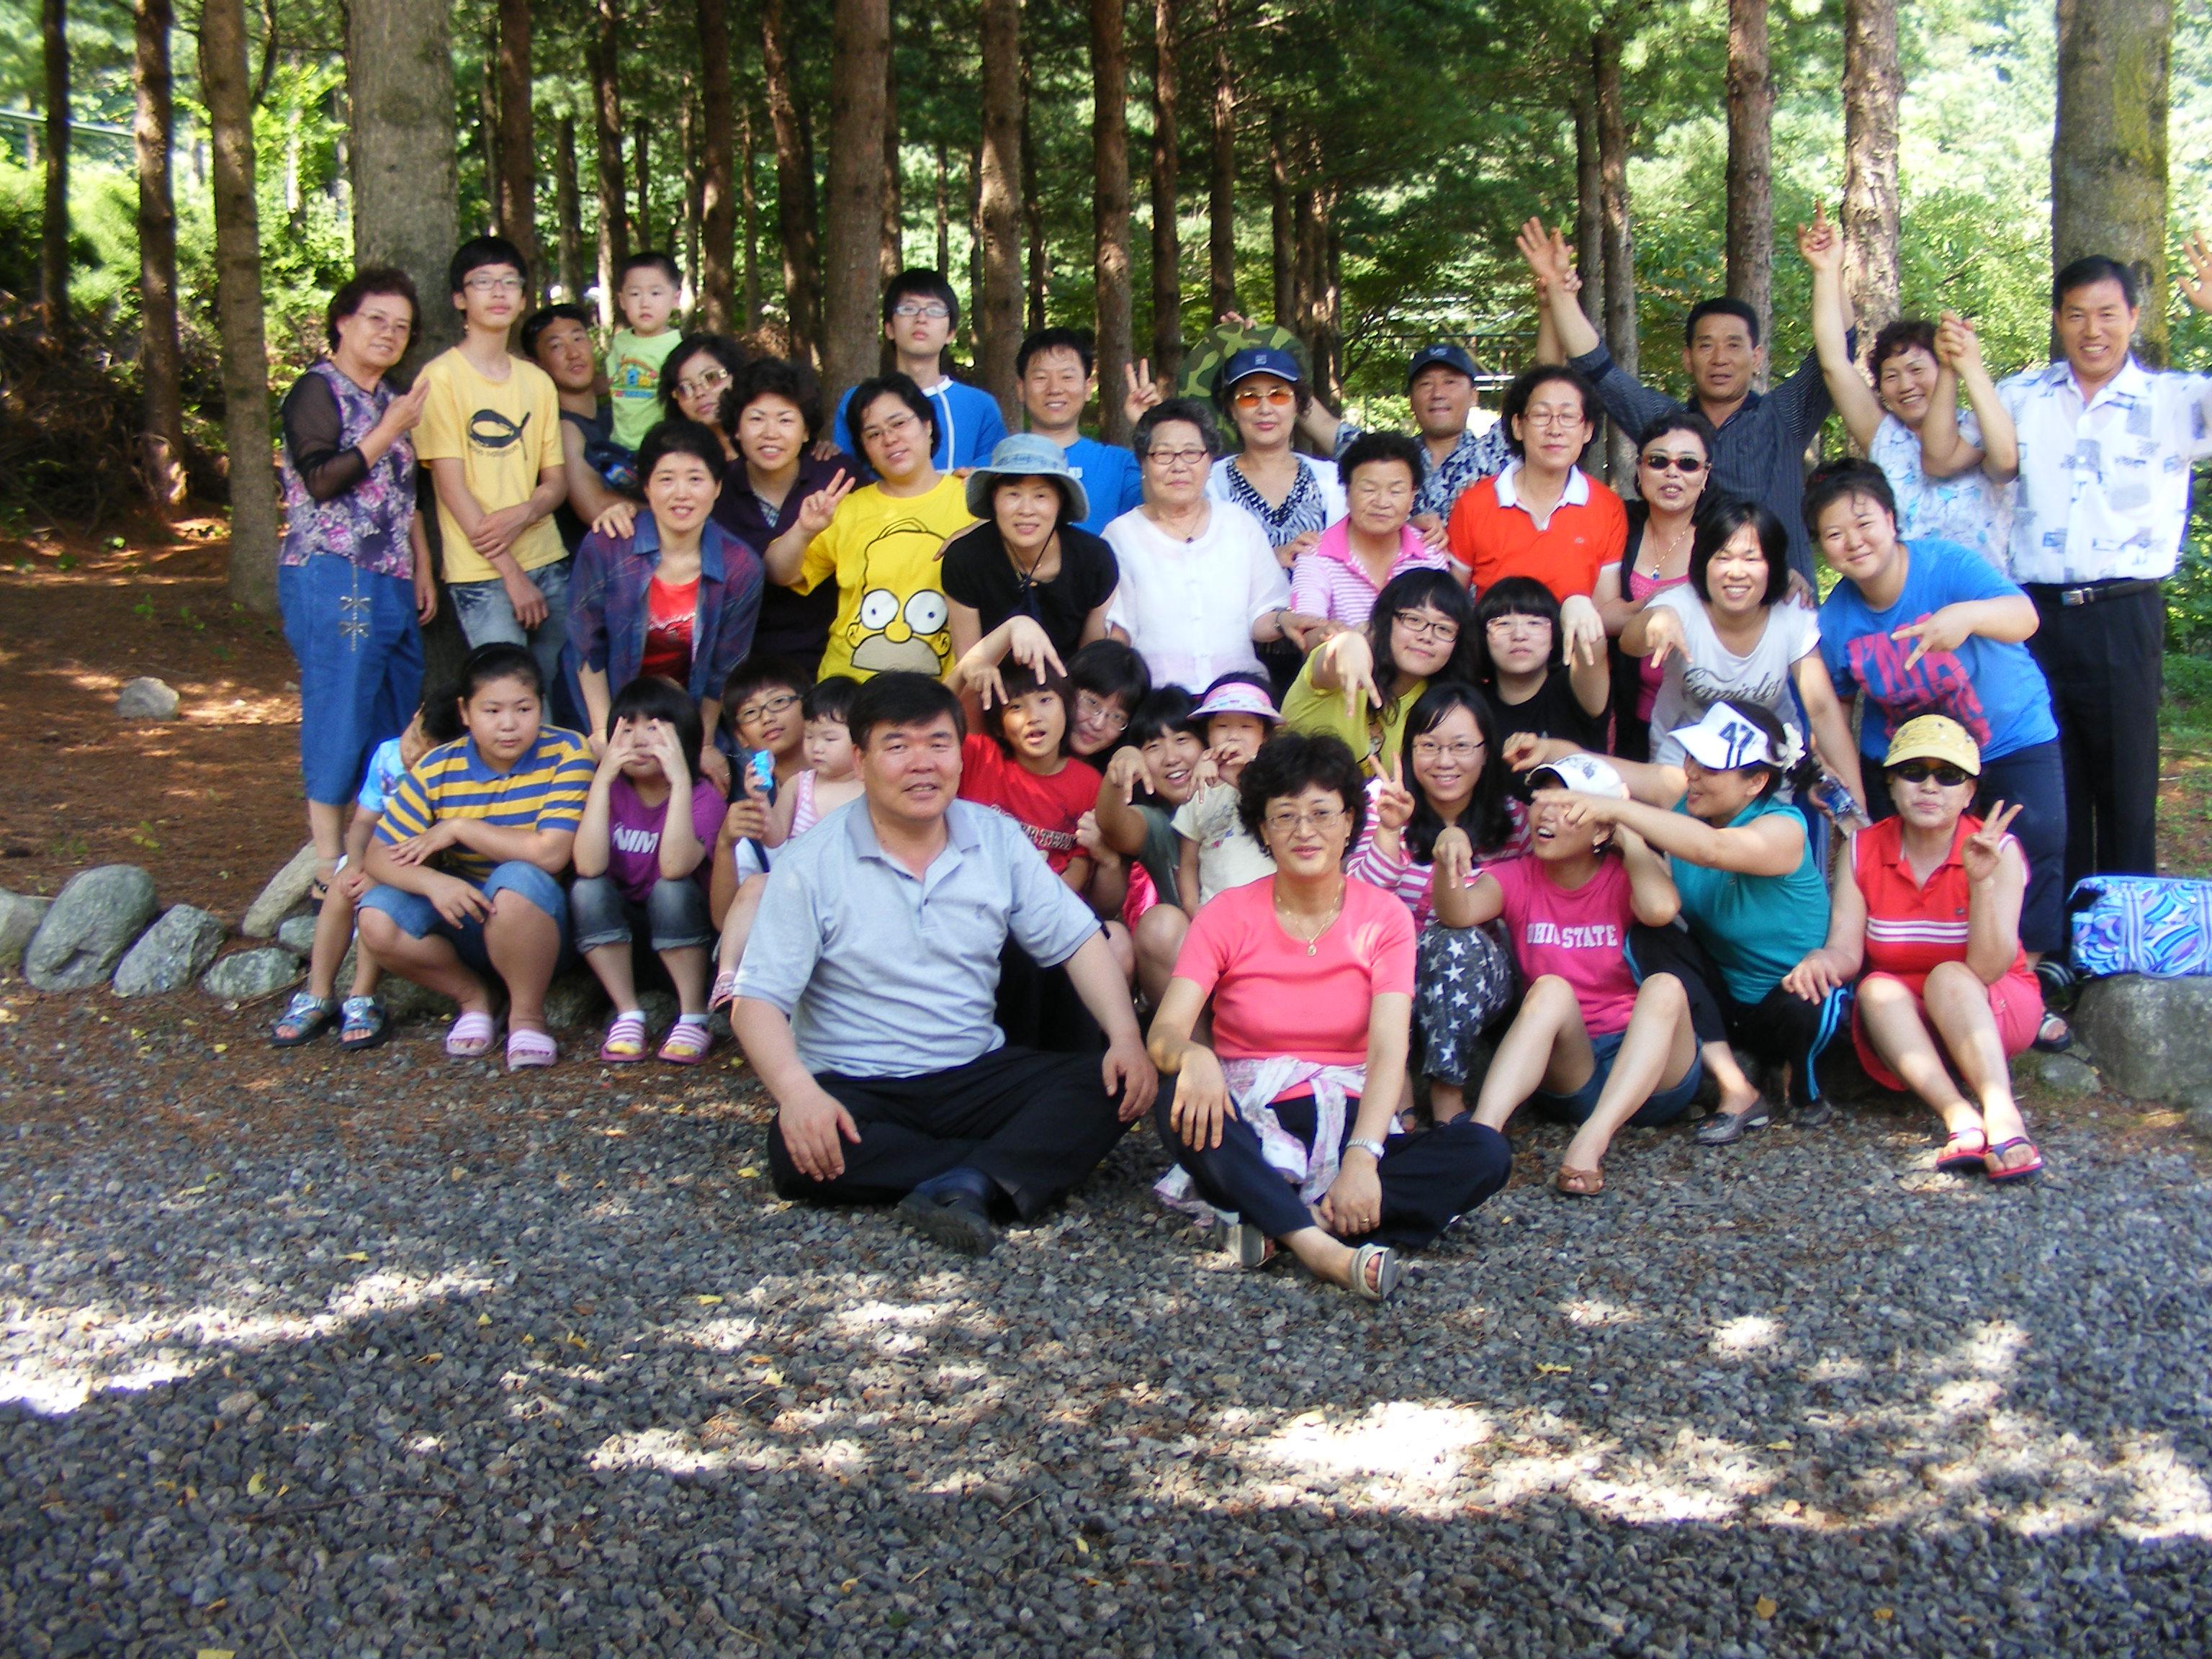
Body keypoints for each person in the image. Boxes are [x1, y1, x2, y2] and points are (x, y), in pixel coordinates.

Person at [732, 673, 1156, 1256]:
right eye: (897, 746)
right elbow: (756, 1002)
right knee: (793, 1153)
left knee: (1108, 1082)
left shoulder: (996, 838)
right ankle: (995, 1172)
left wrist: (1126, 1036)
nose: (922, 764)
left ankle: (962, 1176)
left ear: (961, 755)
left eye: (938, 743)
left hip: (972, 1072)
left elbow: (1078, 941)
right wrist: (798, 1095)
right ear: (861, 761)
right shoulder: (809, 863)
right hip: (859, 1082)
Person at [1148, 732, 1511, 1301]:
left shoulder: (1385, 918)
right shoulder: (1225, 915)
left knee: (1484, 1152)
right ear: (1263, 829)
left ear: (1349, 824)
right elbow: (1166, 1031)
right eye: (1285, 816)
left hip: (1351, 1118)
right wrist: (1193, 1056)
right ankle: (1323, 1249)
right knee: (1178, 1101)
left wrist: (1364, 1157)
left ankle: (1279, 1222)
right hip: (1254, 1117)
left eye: (1322, 813)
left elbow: (1389, 1048)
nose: (1304, 830)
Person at [1987, 243, 2212, 895]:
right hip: (2032, 615)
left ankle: (2123, 933)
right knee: (2049, 785)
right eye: (2077, 314)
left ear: (2134, 317)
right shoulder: (2022, 395)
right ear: (2059, 319)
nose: (2094, 330)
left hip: (2122, 613)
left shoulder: (2172, 400)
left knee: (2125, 787)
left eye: (2108, 313)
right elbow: (1953, 455)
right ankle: (2056, 938)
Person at [1807, 460, 2069, 1004]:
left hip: (2007, 733)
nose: (1854, 542)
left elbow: (2024, 616)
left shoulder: (1946, 565)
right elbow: (1834, 707)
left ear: (1892, 520)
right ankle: (1918, 982)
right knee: (1908, 864)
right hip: (1907, 756)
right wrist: (1847, 787)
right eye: (1834, 534)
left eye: (1865, 523)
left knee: (2034, 841)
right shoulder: (1836, 621)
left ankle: (2024, 983)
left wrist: (1967, 617)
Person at [1529, 701, 1841, 1146]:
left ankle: (1806, 1087)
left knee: (1804, 1003)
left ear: (1756, 782)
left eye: (1710, 767)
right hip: (1723, 992)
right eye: (1693, 757)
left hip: (1787, 993)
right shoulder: (1683, 794)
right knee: (1653, 937)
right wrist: (1540, 749)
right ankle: (1737, 1089)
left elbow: (1713, 849)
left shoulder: (1784, 828)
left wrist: (1614, 810)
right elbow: (1592, 762)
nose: (1692, 772)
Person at [1780, 716, 2046, 1182]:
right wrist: (1821, 960)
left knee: (1950, 976)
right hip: (1905, 1022)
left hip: (1989, 1004)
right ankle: (1958, 1116)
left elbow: (1988, 968)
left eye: (1949, 775)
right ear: (1891, 781)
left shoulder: (1997, 848)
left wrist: (1981, 884)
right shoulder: (1863, 847)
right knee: (1875, 988)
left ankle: (2003, 1114)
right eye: (1913, 771)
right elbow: (1847, 952)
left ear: (1969, 791)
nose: (1929, 786)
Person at [1518, 215, 1851, 581]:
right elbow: (1597, 368)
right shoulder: (1668, 425)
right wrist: (1557, 287)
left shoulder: (1785, 415)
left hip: (1784, 601)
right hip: (1691, 606)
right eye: (1706, 346)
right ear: (1688, 359)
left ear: (1756, 358)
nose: (1720, 358)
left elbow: (1839, 349)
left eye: (1733, 345)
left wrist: (1828, 272)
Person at [1465, 754, 1701, 1197]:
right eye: (1542, 800)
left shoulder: (1626, 873)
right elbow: (1458, 912)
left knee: (1666, 987)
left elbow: (1659, 910)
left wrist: (1630, 839)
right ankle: (1480, 1135)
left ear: (1601, 828)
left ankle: (1593, 1138)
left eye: (1567, 806)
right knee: (1549, 990)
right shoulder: (1518, 876)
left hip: (1650, 1069)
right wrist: (1446, 863)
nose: (1546, 814)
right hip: (1574, 1066)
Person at [275, 266, 436, 909]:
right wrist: (390, 428)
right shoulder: (318, 390)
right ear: (343, 321)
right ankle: (326, 861)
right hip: (332, 568)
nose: (389, 334)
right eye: (376, 320)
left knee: (394, 713)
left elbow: (406, 498)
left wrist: (423, 566)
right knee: (339, 705)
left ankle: (374, 853)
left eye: (401, 326)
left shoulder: (392, 400)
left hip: (393, 575)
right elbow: (320, 478)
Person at [359, 643, 592, 1071]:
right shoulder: (436, 767)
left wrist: (460, 828)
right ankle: (475, 999)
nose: (509, 725)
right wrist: (434, 883)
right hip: (464, 916)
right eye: (492, 711)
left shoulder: (567, 752)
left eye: (523, 709)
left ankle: (527, 1016)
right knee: (376, 916)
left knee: (517, 879)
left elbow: (551, 853)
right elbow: (377, 855)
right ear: (465, 713)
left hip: (542, 923)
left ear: (541, 707)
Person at [1800, 212, 2015, 570]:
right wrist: (1826, 271)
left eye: (1917, 370)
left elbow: (2006, 461)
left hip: (1988, 598)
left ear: (1944, 366)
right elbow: (1834, 363)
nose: (1906, 385)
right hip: (1907, 600)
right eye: (1891, 376)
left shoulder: (1979, 426)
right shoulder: (1885, 437)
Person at [1350, 683, 1524, 1125]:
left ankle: (1447, 1095)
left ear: (1486, 752)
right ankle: (1397, 1092)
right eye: (1429, 746)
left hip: (1475, 976)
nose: (1444, 761)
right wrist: (1390, 831)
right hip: (1390, 970)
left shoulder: (1514, 820)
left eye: (1461, 746)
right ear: (1409, 750)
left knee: (1452, 940)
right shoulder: (1381, 800)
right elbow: (1355, 899)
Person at [1622, 498, 1862, 805]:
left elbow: (1823, 709)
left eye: (1752, 559)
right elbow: (1630, 643)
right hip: (1683, 763)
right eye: (1723, 558)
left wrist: (1857, 806)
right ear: (1703, 562)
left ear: (1773, 567)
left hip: (1765, 763)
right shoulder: (1681, 605)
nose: (1736, 572)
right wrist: (1655, 620)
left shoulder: (1791, 614)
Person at [567, 418, 763, 785]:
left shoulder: (740, 566)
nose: (681, 493)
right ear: (646, 487)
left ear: (717, 487)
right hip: (606, 705)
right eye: (666, 479)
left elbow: (724, 668)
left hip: (685, 713)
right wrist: (604, 732)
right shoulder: (609, 544)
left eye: (696, 479)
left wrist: (702, 741)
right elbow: (586, 646)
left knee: (736, 785)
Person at [415, 236, 571, 694]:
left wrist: (526, 511)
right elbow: (451, 488)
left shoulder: (537, 381)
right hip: (483, 575)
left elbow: (556, 481)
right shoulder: (441, 378)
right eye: (483, 282)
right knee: (510, 702)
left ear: (523, 298)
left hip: (548, 559)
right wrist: (512, 574)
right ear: (460, 299)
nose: (498, 292)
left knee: (559, 697)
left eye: (509, 282)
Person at [270, 693, 459, 1053]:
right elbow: (363, 823)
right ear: (416, 713)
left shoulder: (449, 777)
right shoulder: (387, 756)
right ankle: (318, 993)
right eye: (414, 737)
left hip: (419, 869)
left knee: (371, 895)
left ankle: (362, 995)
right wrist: (356, 863)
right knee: (344, 886)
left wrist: (379, 871)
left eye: (428, 752)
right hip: (375, 857)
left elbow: (436, 852)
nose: (413, 754)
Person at [766, 373, 973, 681]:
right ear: (864, 449)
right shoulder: (848, 508)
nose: (890, 439)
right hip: (848, 691)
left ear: (927, 425)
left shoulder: (972, 502)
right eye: (874, 434)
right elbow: (778, 573)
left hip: (938, 694)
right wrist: (804, 531)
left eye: (899, 423)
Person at [570, 677, 724, 1065]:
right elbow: (588, 865)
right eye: (627, 728)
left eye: (654, 728)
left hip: (686, 937)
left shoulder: (704, 796)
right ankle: (628, 1013)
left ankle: (693, 1015)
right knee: (587, 888)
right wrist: (603, 777)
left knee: (670, 890)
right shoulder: (610, 790)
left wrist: (680, 779)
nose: (639, 740)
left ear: (683, 736)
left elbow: (674, 867)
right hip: (621, 939)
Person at [1102, 399, 1293, 691]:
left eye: (1192, 453)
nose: (1179, 466)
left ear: (1210, 461)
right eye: (1163, 455)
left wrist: (1287, 622)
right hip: (1159, 699)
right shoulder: (1121, 535)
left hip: (1237, 696)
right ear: (1143, 463)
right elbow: (1118, 633)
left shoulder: (1239, 524)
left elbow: (1262, 615)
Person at [709, 675, 863, 1008]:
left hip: (848, 890)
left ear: (861, 742)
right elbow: (775, 836)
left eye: (829, 738)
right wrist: (759, 799)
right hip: (796, 886)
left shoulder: (871, 789)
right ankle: (728, 974)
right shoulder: (800, 784)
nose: (816, 747)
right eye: (810, 737)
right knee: (754, 884)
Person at [942, 436, 1118, 690]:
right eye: (1013, 494)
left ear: (1060, 502)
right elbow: (969, 664)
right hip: (991, 690)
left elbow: (1091, 662)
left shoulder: (1094, 559)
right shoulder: (965, 557)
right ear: (994, 499)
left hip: (1069, 693)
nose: (1026, 510)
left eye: (1041, 496)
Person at [714, 356, 857, 667]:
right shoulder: (717, 491)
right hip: (740, 662)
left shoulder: (836, 476)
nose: (771, 433)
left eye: (785, 420)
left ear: (806, 432)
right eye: (756, 419)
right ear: (736, 429)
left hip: (832, 658)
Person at [1444, 364, 1626, 604]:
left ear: (1587, 430)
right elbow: (1451, 605)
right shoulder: (1473, 504)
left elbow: (1605, 610)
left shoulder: (1608, 508)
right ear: (1518, 426)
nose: (1555, 430)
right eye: (1541, 415)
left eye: (1568, 417)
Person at [1592, 411, 1716, 762]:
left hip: (1704, 717)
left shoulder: (1723, 538)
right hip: (1626, 710)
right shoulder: (1618, 525)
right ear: (1640, 468)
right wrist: (1657, 604)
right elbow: (1599, 615)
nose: (1672, 473)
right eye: (1658, 461)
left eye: (1688, 464)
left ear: (1705, 476)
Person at [1281, 567, 1480, 778]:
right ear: (1384, 620)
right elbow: (1337, 655)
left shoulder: (1441, 703)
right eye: (1414, 620)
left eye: (1444, 629)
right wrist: (1350, 641)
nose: (1427, 636)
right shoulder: (1339, 669)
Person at [1300, 341, 1514, 531]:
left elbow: (1535, 392)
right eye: (1425, 384)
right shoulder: (1388, 458)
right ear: (1411, 400)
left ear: (1473, 396)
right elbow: (1324, 424)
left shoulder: (1497, 452)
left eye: (1450, 382)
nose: (1437, 394)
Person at [1092, 686, 1208, 999]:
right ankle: (1181, 1034)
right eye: (1153, 747)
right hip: (1196, 981)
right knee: (1159, 924)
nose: (1171, 758)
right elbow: (1113, 823)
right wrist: (1120, 767)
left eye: (1182, 739)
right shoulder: (1160, 826)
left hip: (1260, 959)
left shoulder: (1246, 800)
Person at [829, 269, 1007, 472]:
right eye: (908, 309)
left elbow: (994, 478)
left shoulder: (980, 406)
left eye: (935, 310)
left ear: (950, 333)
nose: (921, 318)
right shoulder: (857, 400)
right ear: (889, 328)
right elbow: (846, 472)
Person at [957, 660, 1105, 891]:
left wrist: (1048, 903)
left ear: (1068, 710)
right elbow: (929, 722)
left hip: (1045, 902)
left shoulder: (1089, 783)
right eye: (1016, 707)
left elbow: (1080, 864)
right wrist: (962, 672)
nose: (1033, 716)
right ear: (999, 727)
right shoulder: (979, 757)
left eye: (1045, 700)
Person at [1288, 431, 1450, 630]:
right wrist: (1340, 637)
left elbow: (1444, 626)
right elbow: (1306, 630)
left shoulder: (1430, 551)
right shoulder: (1316, 554)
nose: (1382, 502)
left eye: (1396, 491)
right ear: (1347, 492)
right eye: (1369, 490)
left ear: (1412, 497)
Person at [1205, 345, 1346, 565]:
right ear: (1232, 409)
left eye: (1278, 395)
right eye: (1249, 397)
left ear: (1297, 405)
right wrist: (1270, 559)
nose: (1265, 408)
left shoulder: (1333, 480)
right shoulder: (1209, 483)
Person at [522, 303, 637, 552]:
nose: (573, 353)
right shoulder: (563, 429)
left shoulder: (617, 413)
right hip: (596, 565)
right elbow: (594, 506)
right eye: (556, 346)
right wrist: (675, 507)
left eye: (578, 338)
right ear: (536, 365)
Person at [1015, 326, 1145, 534]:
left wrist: (1153, 427)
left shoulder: (1121, 465)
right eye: (1041, 378)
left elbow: (1171, 510)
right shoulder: (991, 468)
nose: (1054, 389)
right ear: (1021, 389)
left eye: (1067, 377)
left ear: (1088, 388)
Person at [1171, 675, 1283, 909]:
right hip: (1216, 915)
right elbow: (1188, 863)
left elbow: (1277, 813)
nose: (1233, 736)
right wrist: (1194, 911)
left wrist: (1238, 774)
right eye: (1222, 726)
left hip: (1273, 910)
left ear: (1265, 735)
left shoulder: (1278, 779)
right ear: (1207, 734)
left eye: (1246, 726)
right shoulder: (1199, 789)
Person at [1474, 577, 1609, 762]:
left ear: (1555, 635)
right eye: (1503, 624)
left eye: (1535, 623)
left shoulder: (1573, 689)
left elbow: (1592, 651)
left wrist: (1577, 605)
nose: (1519, 635)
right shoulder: (1473, 703)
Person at [608, 251, 685, 453]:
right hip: (618, 446)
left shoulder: (679, 348)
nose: (644, 303)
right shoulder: (620, 342)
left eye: (655, 293)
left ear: (675, 298)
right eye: (635, 294)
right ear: (622, 300)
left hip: (661, 448)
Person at [658, 332, 750, 454]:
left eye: (712, 378)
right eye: (685, 389)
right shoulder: (676, 455)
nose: (699, 393)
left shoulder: (767, 438)